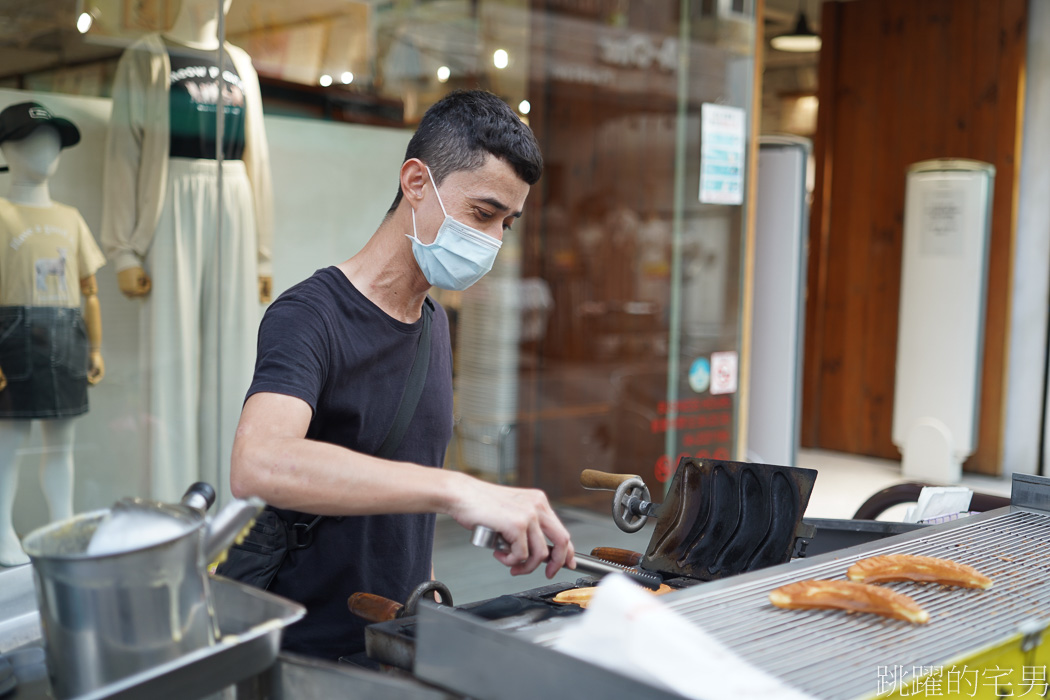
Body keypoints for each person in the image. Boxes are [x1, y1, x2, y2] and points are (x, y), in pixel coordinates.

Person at [226, 89, 576, 661]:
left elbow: (407, 493)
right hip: (305, 654)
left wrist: (430, 604)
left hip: (396, 642)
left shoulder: (434, 324)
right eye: (482, 214)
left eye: (506, 224)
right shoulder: (309, 316)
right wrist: (461, 490)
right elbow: (258, 463)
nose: (492, 242)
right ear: (416, 182)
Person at [101, 0, 273, 505]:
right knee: (171, 356)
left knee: (235, 356)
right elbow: (123, 154)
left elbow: (255, 157)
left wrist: (262, 253)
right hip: (171, 201)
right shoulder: (148, 56)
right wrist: (124, 251)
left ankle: (231, 501)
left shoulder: (240, 63)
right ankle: (170, 504)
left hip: (233, 201)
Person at [0, 103, 106, 566]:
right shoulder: (0, 213)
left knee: (61, 442)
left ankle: (62, 524)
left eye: (52, 141)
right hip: (14, 333)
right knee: (11, 442)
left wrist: (96, 347)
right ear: (5, 148)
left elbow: (90, 290)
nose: (44, 151)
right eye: (29, 140)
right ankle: (3, 530)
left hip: (66, 331)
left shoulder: (70, 216)